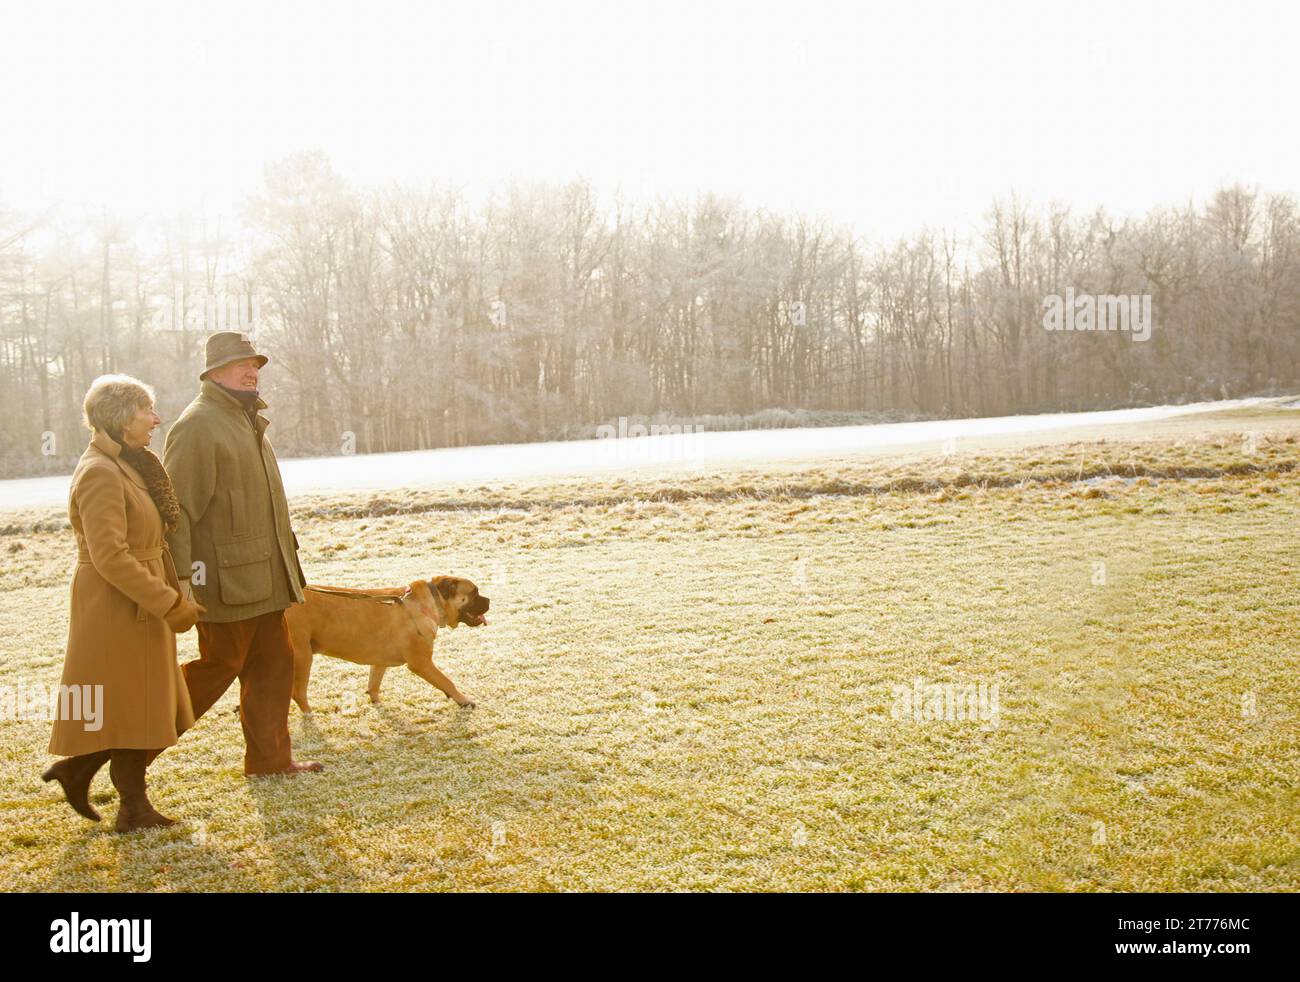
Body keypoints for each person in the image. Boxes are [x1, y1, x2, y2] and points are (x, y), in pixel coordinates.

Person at [44, 375, 202, 832]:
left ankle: (77, 773)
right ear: (119, 417)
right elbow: (110, 555)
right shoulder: (99, 472)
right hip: (116, 603)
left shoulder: (127, 464)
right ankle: (133, 809)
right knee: (133, 705)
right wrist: (168, 602)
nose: (155, 419)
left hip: (137, 595)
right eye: (146, 411)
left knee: (136, 703)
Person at [161, 331, 322, 776]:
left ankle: (271, 762)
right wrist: (181, 581)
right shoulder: (198, 425)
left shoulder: (247, 420)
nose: (251, 371)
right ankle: (124, 747)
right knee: (217, 669)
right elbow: (177, 513)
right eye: (240, 365)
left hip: (266, 580)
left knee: (274, 667)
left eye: (254, 364)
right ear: (213, 373)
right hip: (223, 586)